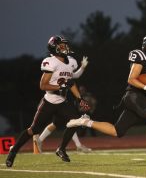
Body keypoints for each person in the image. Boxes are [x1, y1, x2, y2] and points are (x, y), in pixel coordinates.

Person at [66, 33, 146, 164]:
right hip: (133, 95)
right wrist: (145, 88)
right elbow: (131, 79)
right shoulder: (140, 55)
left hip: (140, 97)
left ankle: (85, 122)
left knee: (117, 131)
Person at [5, 35, 90, 167]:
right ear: (54, 48)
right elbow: (43, 85)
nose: (65, 48)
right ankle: (13, 151)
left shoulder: (71, 62)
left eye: (65, 45)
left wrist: (80, 99)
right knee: (33, 130)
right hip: (49, 101)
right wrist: (60, 87)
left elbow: (72, 83)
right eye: (61, 46)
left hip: (62, 102)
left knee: (76, 121)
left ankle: (61, 149)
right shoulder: (51, 62)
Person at [34, 57, 92, 153]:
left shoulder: (67, 63)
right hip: (53, 98)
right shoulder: (54, 65)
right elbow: (45, 83)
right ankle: (78, 146)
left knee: (58, 123)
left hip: (62, 98)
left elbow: (75, 76)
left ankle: (39, 140)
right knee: (71, 121)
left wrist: (82, 67)